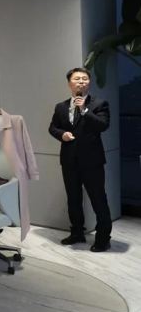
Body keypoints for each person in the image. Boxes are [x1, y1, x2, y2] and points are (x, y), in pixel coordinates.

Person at [48, 67, 112, 252]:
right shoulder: (60, 106)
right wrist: (62, 135)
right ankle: (77, 233)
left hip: (92, 161)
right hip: (69, 160)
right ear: (70, 83)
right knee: (73, 199)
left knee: (98, 199)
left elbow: (102, 125)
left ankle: (103, 238)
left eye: (85, 79)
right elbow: (52, 127)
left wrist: (84, 110)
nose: (81, 82)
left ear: (89, 83)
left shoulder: (99, 104)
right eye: (77, 79)